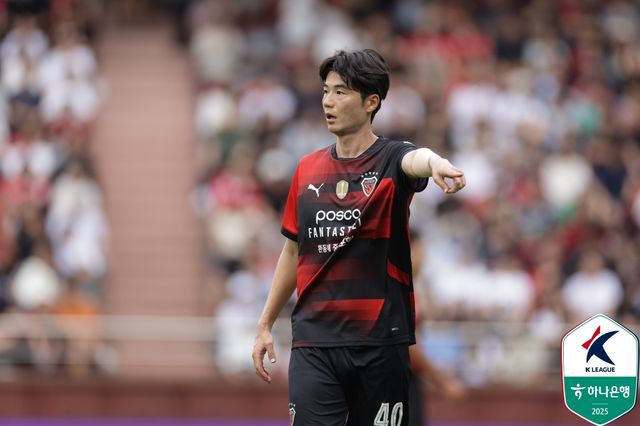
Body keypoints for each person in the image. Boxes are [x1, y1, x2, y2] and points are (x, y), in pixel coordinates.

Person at [252, 49, 465, 426]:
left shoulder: (392, 159)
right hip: (315, 342)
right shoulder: (307, 169)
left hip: (381, 342)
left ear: (371, 102)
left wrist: (436, 163)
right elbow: (292, 252)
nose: (328, 101)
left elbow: (416, 159)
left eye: (341, 92)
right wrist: (265, 323)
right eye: (326, 91)